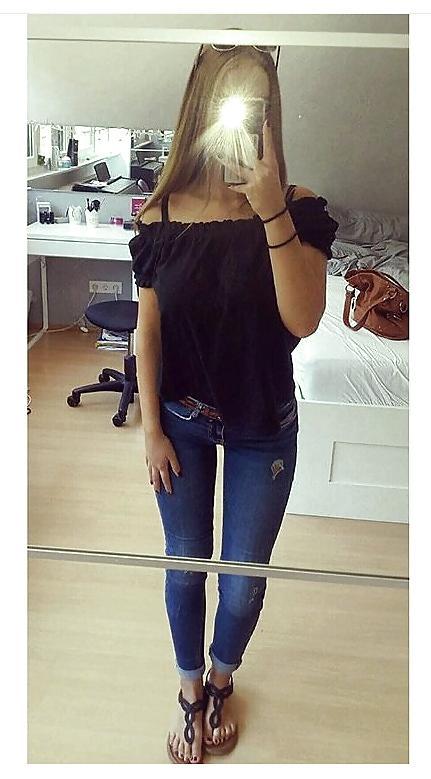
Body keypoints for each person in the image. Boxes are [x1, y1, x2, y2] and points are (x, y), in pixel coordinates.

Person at [129, 42, 339, 764]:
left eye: (257, 105)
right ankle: (190, 689)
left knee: (244, 580)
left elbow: (303, 319)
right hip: (182, 420)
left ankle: (222, 679)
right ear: (201, 107)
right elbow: (148, 330)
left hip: (262, 425)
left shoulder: (300, 207)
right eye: (231, 102)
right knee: (185, 565)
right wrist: (150, 430)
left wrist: (270, 207)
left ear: (271, 116)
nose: (243, 119)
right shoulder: (159, 214)